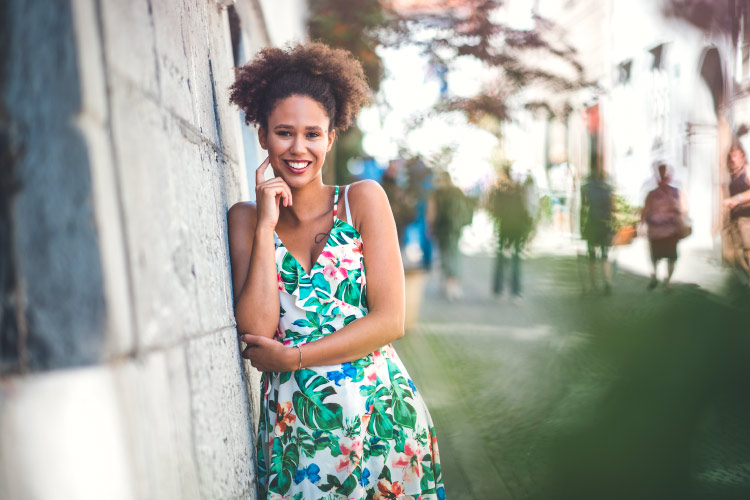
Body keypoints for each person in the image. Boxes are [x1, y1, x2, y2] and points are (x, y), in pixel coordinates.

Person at [226, 43, 444, 499]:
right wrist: (267, 225)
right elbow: (257, 328)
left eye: (312, 134)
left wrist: (295, 358)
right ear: (262, 135)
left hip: (381, 419)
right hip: (296, 430)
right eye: (284, 132)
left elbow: (390, 321)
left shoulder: (362, 199)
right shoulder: (246, 219)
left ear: (330, 137)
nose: (299, 148)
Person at [487, 165, 534, 299]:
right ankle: (515, 291)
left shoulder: (499, 190)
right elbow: (526, 210)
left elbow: (493, 209)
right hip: (517, 228)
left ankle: (498, 289)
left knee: (501, 257)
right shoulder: (519, 189)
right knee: (516, 259)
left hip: (504, 228)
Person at [641, 162, 688, 291]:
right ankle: (659, 278)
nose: (662, 177)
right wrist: (642, 225)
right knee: (658, 256)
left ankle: (665, 280)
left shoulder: (675, 192)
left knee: (669, 257)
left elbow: (684, 209)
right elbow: (645, 210)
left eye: (664, 174)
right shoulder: (652, 194)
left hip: (670, 231)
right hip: (657, 231)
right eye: (660, 174)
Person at [431, 171, 475, 300]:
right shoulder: (457, 192)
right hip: (455, 228)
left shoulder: (437, 194)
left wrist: (430, 226)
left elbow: (431, 211)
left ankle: (447, 283)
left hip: (442, 229)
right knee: (454, 254)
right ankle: (454, 283)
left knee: (444, 255)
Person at [580, 169, 614, 294]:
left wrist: (581, 227)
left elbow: (583, 208)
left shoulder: (586, 189)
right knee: (605, 255)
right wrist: (613, 227)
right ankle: (607, 281)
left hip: (592, 224)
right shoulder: (608, 189)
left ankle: (594, 283)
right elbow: (611, 209)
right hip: (604, 224)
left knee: (592, 256)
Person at [723, 140, 750, 287]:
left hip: (747, 219)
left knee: (748, 251)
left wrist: (736, 199)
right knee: (737, 256)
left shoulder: (747, 170)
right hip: (736, 221)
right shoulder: (734, 174)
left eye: (736, 155)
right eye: (731, 156)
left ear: (743, 156)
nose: (733, 159)